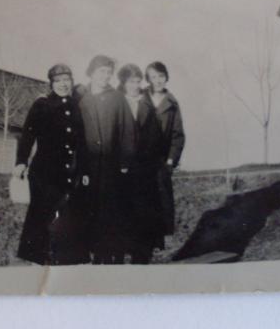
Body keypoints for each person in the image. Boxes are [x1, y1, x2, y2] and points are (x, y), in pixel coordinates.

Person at [14, 64, 90, 265]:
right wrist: (21, 161)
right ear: (52, 83)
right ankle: (37, 260)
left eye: (67, 80)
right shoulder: (42, 104)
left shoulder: (76, 106)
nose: (64, 84)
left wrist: (83, 169)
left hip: (69, 172)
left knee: (68, 217)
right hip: (44, 172)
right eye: (59, 81)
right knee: (41, 215)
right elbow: (28, 134)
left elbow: (81, 141)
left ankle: (64, 260)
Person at [75, 54, 136, 264]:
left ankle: (113, 256)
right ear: (91, 72)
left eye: (109, 73)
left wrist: (125, 162)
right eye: (102, 71)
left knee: (112, 211)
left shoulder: (117, 98)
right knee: (91, 210)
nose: (106, 76)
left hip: (112, 166)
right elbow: (76, 136)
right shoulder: (82, 100)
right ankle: (94, 254)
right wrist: (79, 168)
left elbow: (128, 130)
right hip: (89, 167)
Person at [117, 63, 166, 264]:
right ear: (123, 82)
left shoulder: (147, 104)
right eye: (131, 81)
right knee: (122, 215)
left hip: (144, 170)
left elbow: (155, 137)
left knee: (143, 215)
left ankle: (141, 258)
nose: (135, 86)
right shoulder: (116, 102)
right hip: (119, 170)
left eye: (138, 81)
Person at [145, 61, 186, 238]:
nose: (158, 80)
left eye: (161, 76)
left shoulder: (172, 103)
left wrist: (171, 161)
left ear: (166, 77)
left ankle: (161, 238)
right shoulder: (141, 97)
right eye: (153, 77)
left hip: (161, 159)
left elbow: (178, 135)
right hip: (141, 157)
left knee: (162, 198)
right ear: (148, 79)